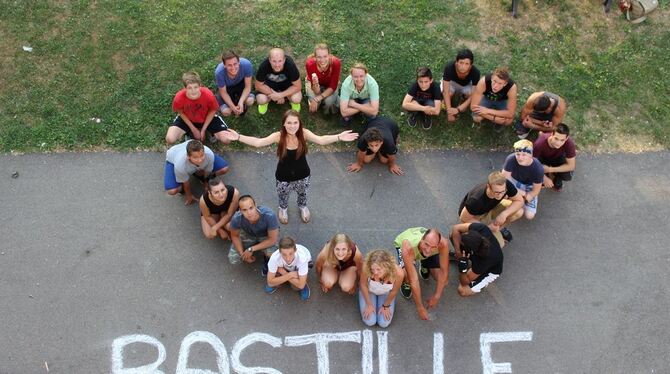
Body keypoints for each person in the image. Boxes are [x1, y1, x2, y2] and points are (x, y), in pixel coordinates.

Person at [222, 110, 358, 224]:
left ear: (299, 123)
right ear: (284, 124)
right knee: (283, 195)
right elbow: (258, 143)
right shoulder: (278, 136)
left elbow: (321, 140)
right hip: (283, 176)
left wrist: (339, 137)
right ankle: (283, 208)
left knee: (303, 194)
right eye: (289, 123)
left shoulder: (304, 134)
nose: (292, 126)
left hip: (303, 174)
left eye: (295, 123)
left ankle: (303, 206)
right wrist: (238, 137)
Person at [394, 227, 450, 321]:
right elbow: (414, 280)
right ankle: (405, 283)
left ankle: (425, 263)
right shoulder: (408, 247)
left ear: (438, 244)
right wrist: (420, 308)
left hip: (421, 251)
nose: (428, 249)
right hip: (406, 248)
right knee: (407, 275)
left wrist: (437, 296)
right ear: (422, 240)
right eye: (426, 244)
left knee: (445, 281)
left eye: (433, 247)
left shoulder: (443, 244)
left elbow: (444, 271)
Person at [458, 171, 525, 243]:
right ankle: (488, 231)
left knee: (519, 212)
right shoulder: (476, 200)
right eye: (496, 192)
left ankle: (498, 229)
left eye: (503, 191)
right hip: (475, 216)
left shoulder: (505, 184)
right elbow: (463, 218)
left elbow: (520, 200)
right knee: (499, 244)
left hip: (491, 208)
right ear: (488, 187)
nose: (500, 195)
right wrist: (488, 228)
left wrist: (504, 214)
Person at [165, 71, 230, 145]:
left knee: (227, 139)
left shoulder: (208, 94)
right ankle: (188, 132)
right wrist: (193, 129)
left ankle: (211, 132)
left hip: (206, 117)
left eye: (195, 87)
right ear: (185, 88)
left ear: (200, 86)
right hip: (188, 118)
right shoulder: (179, 97)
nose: (193, 91)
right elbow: (180, 112)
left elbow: (213, 110)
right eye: (189, 88)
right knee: (170, 138)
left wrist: (203, 129)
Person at [226, 195, 280, 276]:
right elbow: (235, 236)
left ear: (255, 205)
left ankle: (267, 260)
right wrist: (243, 254)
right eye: (244, 210)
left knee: (274, 256)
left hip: (266, 235)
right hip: (248, 234)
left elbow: (272, 240)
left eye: (251, 208)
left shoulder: (269, 215)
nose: (249, 213)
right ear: (240, 210)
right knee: (234, 259)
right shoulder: (237, 218)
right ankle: (253, 249)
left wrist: (251, 249)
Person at [164, 140, 229, 205]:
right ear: (188, 157)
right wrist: (189, 195)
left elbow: (207, 172)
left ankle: (198, 175)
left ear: (204, 152)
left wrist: (206, 183)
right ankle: (186, 182)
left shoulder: (209, 155)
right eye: (195, 157)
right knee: (172, 191)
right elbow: (186, 183)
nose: (200, 160)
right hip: (172, 157)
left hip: (190, 143)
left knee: (224, 169)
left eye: (202, 155)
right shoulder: (180, 164)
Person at [450, 222, 504, 297]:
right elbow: (455, 228)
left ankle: (480, 283)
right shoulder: (480, 228)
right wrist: (458, 252)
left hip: (490, 270)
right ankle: (460, 258)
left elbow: (464, 282)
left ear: (470, 251)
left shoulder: (482, 262)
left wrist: (463, 270)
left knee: (462, 290)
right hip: (476, 255)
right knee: (454, 235)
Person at [358, 249, 404, 328]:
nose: (375, 272)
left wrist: (386, 306)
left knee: (384, 323)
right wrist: (369, 304)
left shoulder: (398, 273)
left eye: (378, 269)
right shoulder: (366, 267)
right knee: (370, 321)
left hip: (386, 293)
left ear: (387, 266)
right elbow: (363, 284)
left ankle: (380, 304)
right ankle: (370, 302)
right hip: (369, 291)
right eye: (373, 269)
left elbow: (394, 291)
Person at [501, 139, 545, 220]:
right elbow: (504, 179)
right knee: (502, 194)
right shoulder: (511, 159)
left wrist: (529, 195)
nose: (520, 158)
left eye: (524, 154)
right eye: (517, 154)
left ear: (531, 155)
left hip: (529, 186)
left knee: (529, 215)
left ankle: (518, 203)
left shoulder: (538, 168)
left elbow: (535, 191)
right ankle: (515, 204)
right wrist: (523, 194)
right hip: (513, 181)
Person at [254, 48, 302, 114]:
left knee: (297, 99)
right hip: (269, 87)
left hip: (287, 86)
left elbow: (298, 86)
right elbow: (258, 86)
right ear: (269, 60)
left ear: (284, 60)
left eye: (280, 61)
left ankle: (291, 101)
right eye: (274, 61)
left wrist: (280, 95)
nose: (277, 65)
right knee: (261, 100)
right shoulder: (264, 66)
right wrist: (273, 94)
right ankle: (267, 101)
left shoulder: (290, 65)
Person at [265, 236, 312, 301]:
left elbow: (301, 285)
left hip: (301, 266)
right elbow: (270, 282)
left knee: (296, 287)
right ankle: (289, 276)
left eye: (291, 254)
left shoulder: (302, 258)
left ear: (295, 250)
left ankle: (305, 283)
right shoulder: (274, 258)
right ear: (279, 252)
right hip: (287, 269)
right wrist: (290, 274)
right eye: (284, 254)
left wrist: (282, 272)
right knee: (275, 282)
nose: (288, 258)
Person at [533, 123, 576, 192]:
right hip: (543, 158)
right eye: (556, 138)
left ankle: (556, 177)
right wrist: (544, 177)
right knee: (538, 177)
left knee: (567, 176)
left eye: (562, 140)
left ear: (567, 138)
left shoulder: (569, 143)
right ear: (552, 134)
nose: (558, 143)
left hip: (558, 158)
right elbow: (531, 162)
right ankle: (545, 175)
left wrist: (550, 169)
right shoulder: (539, 143)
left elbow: (571, 166)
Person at [442, 49, 481, 123]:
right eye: (461, 63)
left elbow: (474, 94)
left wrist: (458, 109)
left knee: (464, 109)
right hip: (452, 83)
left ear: (470, 66)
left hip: (466, 85)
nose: (463, 66)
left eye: (467, 64)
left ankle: (462, 98)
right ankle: (449, 102)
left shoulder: (475, 72)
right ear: (456, 62)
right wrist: (449, 111)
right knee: (445, 102)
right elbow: (445, 92)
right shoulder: (449, 67)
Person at [214, 50, 255, 117]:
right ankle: (234, 106)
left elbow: (247, 86)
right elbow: (223, 92)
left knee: (250, 100)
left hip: (241, 83)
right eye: (229, 65)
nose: (233, 68)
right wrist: (232, 107)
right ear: (224, 65)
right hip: (227, 88)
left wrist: (241, 101)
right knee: (226, 111)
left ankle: (241, 105)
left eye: (235, 64)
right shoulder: (219, 72)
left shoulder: (246, 65)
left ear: (239, 62)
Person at [199, 176, 240, 241]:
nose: (221, 194)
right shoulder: (203, 201)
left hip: (227, 209)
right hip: (213, 212)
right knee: (209, 234)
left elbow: (230, 214)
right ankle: (221, 223)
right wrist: (220, 231)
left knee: (229, 226)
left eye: (223, 190)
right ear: (209, 193)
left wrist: (215, 227)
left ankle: (223, 224)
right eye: (216, 192)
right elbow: (207, 216)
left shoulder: (234, 193)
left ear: (225, 187)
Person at [305, 43, 342, 115]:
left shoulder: (336, 63)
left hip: (330, 85)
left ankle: (335, 101)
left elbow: (333, 86)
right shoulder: (310, 64)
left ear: (329, 55)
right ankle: (330, 100)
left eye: (325, 56)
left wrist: (317, 98)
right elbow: (316, 91)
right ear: (315, 57)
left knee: (329, 102)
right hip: (314, 85)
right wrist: (316, 86)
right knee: (315, 106)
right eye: (319, 57)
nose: (322, 60)